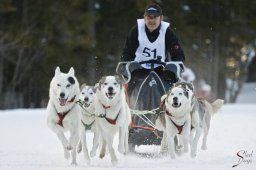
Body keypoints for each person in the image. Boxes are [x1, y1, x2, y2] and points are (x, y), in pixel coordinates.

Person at [120, 3, 186, 86]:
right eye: (149, 17)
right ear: (144, 18)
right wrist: (127, 66)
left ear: (161, 18)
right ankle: (129, 98)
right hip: (139, 70)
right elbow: (127, 53)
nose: (151, 21)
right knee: (131, 80)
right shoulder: (136, 31)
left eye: (155, 17)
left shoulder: (168, 32)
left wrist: (174, 68)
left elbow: (178, 54)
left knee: (171, 81)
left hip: (162, 71)